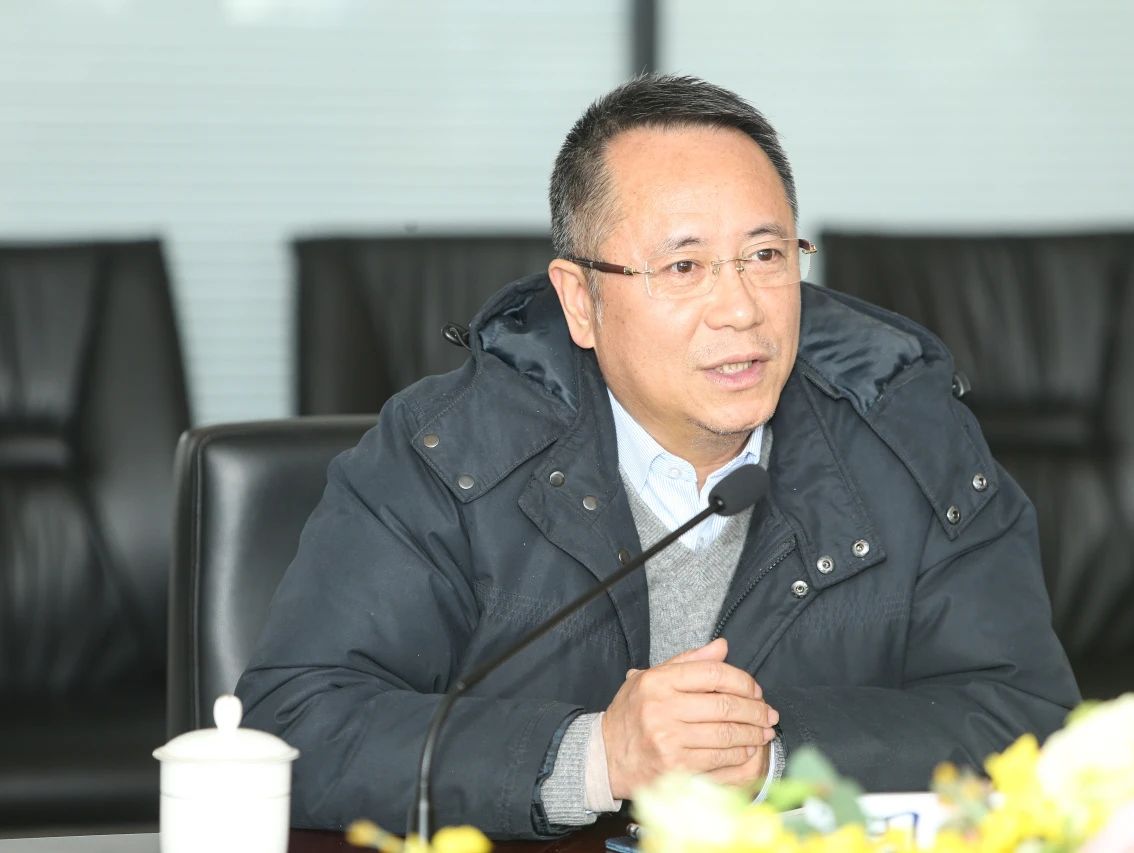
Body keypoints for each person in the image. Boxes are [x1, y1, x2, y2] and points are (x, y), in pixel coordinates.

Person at [237, 75, 1080, 840]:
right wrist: (594, 755)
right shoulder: (446, 452)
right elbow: (293, 726)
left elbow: (1031, 722)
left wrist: (774, 756)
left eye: (765, 255)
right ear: (580, 300)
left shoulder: (917, 443)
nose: (740, 309)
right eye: (684, 265)